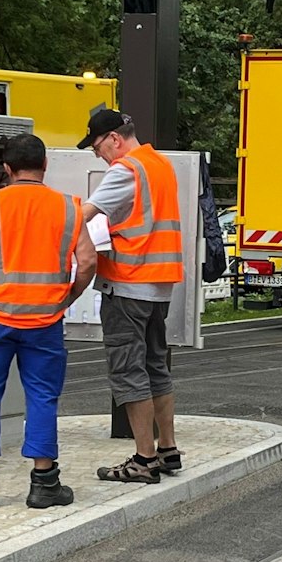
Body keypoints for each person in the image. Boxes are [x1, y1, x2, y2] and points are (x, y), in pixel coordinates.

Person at [0, 133, 97, 510]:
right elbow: (89, 260)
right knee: (42, 396)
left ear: (7, 168)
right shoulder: (68, 207)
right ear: (45, 166)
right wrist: (69, 295)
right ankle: (44, 483)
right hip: (44, 318)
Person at [76, 107, 185, 484]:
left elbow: (83, 214)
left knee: (128, 370)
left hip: (128, 283)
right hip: (159, 284)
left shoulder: (125, 169)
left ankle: (144, 459)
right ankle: (168, 450)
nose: (99, 156)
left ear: (113, 139)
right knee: (156, 365)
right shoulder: (159, 165)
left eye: (97, 148)